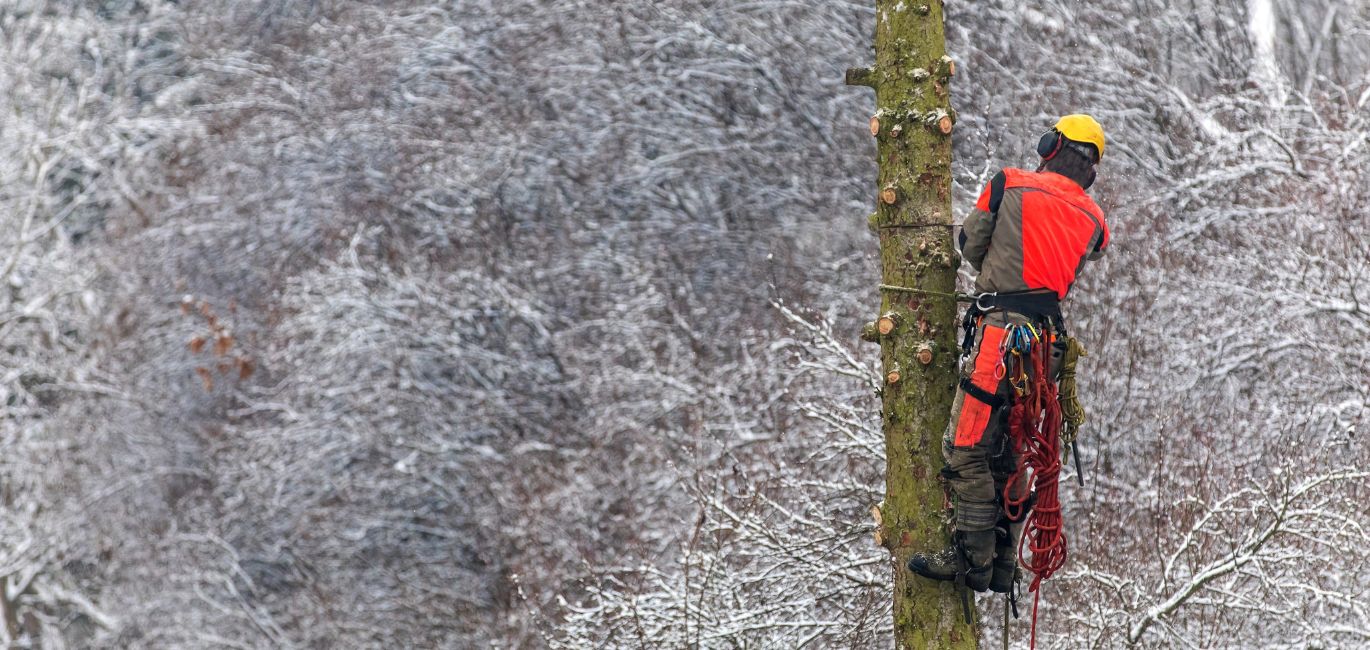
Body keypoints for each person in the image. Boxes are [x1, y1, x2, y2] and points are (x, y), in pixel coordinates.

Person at [906, 114, 1109, 594]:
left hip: (1001, 337)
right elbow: (1084, 256)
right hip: (1047, 345)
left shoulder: (1008, 183)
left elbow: (971, 245)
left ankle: (970, 557)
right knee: (1015, 447)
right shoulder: (1094, 219)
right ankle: (1002, 559)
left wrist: (999, 265)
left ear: (1051, 146)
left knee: (964, 447)